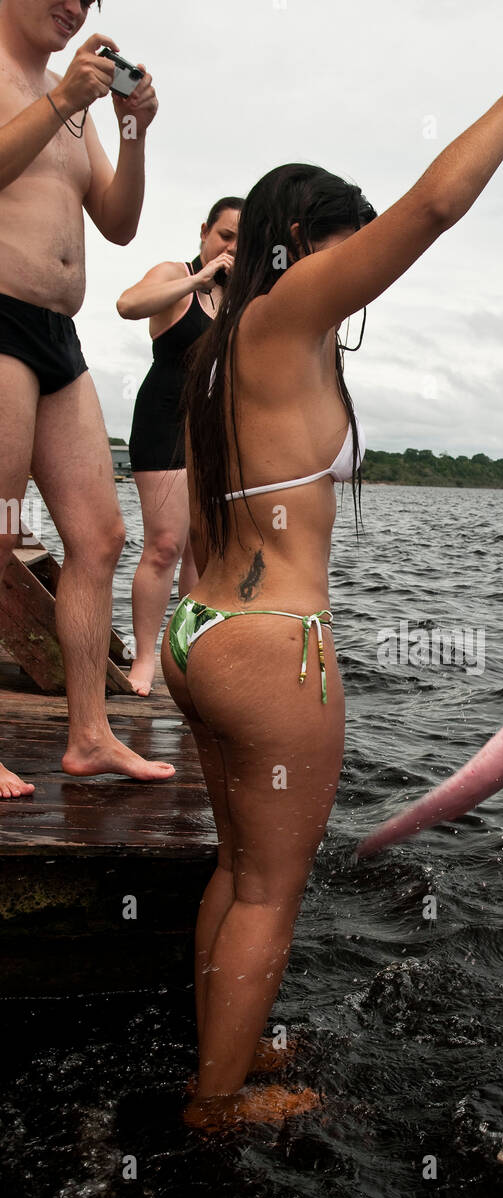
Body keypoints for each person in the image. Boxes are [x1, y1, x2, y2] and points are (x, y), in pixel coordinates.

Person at [161, 24, 503, 1130]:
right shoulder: (286, 315)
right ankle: (217, 1103)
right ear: (303, 241)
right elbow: (434, 207)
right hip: (273, 649)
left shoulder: (231, 343)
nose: (359, 266)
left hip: (201, 635)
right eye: (344, 245)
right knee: (270, 889)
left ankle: (220, 1046)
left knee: (234, 872)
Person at [0, 0, 175, 796]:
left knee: (99, 537)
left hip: (57, 334)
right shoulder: (46, 89)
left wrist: (131, 128)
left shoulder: (71, 96)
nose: (76, 7)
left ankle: (89, 736)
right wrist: (65, 100)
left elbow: (119, 222)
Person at [117, 197, 243, 696]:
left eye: (243, 242)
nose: (233, 248)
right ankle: (143, 661)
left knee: (201, 553)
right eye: (226, 235)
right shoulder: (177, 275)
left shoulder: (238, 299)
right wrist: (200, 278)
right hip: (164, 419)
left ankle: (186, 659)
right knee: (165, 545)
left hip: (212, 432)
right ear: (204, 233)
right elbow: (127, 305)